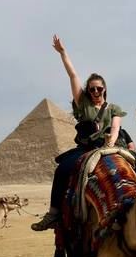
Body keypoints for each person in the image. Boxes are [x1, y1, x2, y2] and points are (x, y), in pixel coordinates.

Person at [31, 35, 127, 230]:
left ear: (104, 89)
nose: (96, 92)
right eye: (92, 89)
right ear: (88, 91)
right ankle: (54, 213)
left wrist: (110, 142)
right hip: (86, 148)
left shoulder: (114, 108)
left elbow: (116, 127)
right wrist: (63, 53)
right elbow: (73, 75)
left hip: (110, 145)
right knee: (62, 170)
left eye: (99, 88)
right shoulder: (83, 103)